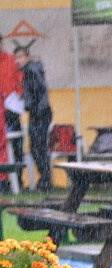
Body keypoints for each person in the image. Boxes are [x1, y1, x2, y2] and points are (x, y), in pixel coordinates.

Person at [14, 43, 52, 192]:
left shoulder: (30, 70)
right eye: (16, 58)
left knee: (37, 148)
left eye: (20, 57)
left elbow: (37, 90)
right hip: (40, 111)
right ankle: (45, 180)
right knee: (38, 148)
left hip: (39, 112)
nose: (17, 61)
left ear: (27, 57)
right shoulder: (33, 69)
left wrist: (26, 103)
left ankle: (45, 181)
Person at [0, 35, 24, 189]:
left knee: (16, 144)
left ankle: (16, 180)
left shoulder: (10, 60)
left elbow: (20, 81)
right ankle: (4, 181)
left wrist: (17, 95)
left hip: (11, 109)